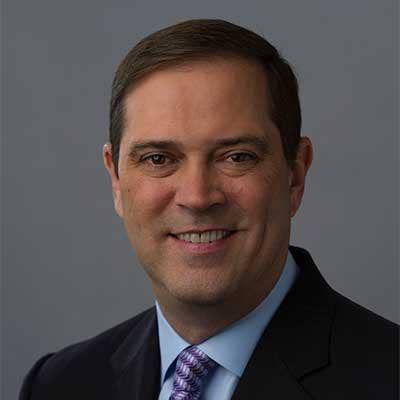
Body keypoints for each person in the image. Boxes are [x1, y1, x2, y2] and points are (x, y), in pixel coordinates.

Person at [19, 19, 398, 400]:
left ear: (295, 174)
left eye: (236, 157)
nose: (197, 197)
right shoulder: (58, 385)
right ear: (116, 179)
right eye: (158, 159)